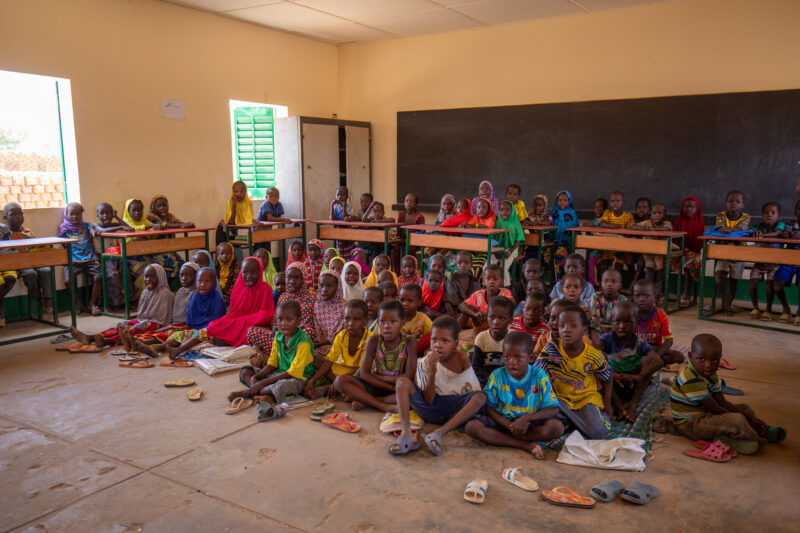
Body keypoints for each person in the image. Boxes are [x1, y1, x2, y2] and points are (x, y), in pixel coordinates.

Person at [670, 333, 785, 454]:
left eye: (714, 360)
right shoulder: (690, 378)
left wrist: (749, 417)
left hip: (705, 414)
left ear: (720, 358)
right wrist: (746, 420)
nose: (708, 365)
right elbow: (715, 408)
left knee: (745, 409)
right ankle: (758, 437)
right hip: (690, 424)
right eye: (701, 359)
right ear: (690, 356)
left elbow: (722, 402)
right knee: (736, 419)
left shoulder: (710, 374)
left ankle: (744, 433)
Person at [390, 316, 486, 456]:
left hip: (454, 409)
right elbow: (428, 400)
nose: (438, 345)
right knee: (402, 382)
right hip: (430, 407)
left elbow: (470, 391)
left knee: (481, 397)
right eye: (434, 340)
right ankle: (407, 434)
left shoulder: (462, 359)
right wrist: (432, 374)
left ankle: (439, 434)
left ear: (455, 344)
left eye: (445, 341)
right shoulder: (425, 362)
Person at [465, 331, 564, 458]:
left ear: (531, 358)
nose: (512, 361)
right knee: (472, 427)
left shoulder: (539, 375)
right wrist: (508, 425)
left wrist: (526, 418)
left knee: (556, 427)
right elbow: (488, 407)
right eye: (507, 356)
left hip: (529, 426)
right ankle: (525, 445)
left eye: (518, 357)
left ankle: (503, 439)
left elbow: (554, 409)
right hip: (503, 423)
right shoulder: (497, 375)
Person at [536, 306, 612, 439]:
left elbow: (608, 377)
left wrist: (607, 404)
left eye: (572, 326)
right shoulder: (551, 348)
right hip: (560, 399)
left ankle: (572, 422)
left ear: (584, 330)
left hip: (585, 399)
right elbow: (537, 375)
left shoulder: (593, 355)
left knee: (597, 432)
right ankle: (577, 422)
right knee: (536, 411)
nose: (566, 330)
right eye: (562, 325)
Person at [333, 299, 417, 412]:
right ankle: (382, 405)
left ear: (402, 322)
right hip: (375, 385)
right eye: (382, 321)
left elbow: (408, 376)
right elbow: (364, 374)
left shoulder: (409, 342)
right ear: (377, 323)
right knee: (340, 381)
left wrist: (382, 378)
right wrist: (387, 385)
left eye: (393, 321)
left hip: (397, 388)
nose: (387, 326)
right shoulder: (373, 341)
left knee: (412, 393)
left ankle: (370, 401)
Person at [70, 263, 174, 350]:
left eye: (152, 276)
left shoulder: (164, 293)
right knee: (123, 324)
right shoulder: (146, 292)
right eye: (146, 276)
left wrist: (141, 322)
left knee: (134, 328)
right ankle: (92, 337)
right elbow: (141, 314)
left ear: (160, 277)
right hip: (146, 320)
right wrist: (140, 321)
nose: (148, 279)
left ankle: (106, 341)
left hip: (159, 324)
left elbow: (158, 318)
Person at [231, 301, 315, 405]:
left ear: (298, 321)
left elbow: (292, 373)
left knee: (282, 386)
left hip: (297, 379)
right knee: (246, 371)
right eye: (280, 319)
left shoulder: (303, 342)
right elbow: (272, 364)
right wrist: (255, 378)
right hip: (278, 374)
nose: (283, 323)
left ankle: (252, 392)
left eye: (289, 320)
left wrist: (262, 382)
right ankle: (263, 393)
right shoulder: (279, 336)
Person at [596, 301, 663, 422]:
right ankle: (619, 407)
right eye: (618, 321)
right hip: (614, 384)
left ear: (637, 323)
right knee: (600, 364)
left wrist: (638, 377)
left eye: (628, 322)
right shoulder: (607, 339)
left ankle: (633, 404)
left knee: (647, 361)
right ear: (612, 322)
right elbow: (593, 353)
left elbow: (658, 361)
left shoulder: (639, 342)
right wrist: (612, 375)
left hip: (634, 384)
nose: (622, 326)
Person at [144, 266, 227, 358]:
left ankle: (178, 350)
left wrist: (200, 329)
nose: (203, 284)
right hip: (194, 328)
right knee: (179, 335)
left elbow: (217, 323)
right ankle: (157, 348)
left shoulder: (217, 300)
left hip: (210, 331)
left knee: (199, 334)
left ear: (214, 283)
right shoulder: (196, 298)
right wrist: (190, 329)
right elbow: (190, 319)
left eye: (207, 282)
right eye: (200, 281)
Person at [246, 262, 315, 366]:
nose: (291, 281)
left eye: (296, 278)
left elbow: (312, 327)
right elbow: (275, 320)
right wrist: (275, 328)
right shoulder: (283, 297)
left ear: (304, 279)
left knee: (306, 336)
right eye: (288, 278)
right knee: (252, 331)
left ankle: (273, 358)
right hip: (282, 335)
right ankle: (280, 357)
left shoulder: (313, 297)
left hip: (300, 337)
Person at [304, 299, 371, 399]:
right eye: (347, 319)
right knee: (316, 359)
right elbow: (329, 361)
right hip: (337, 373)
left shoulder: (369, 339)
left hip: (354, 375)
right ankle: (337, 387)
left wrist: (339, 380)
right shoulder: (341, 336)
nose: (350, 324)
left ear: (365, 321)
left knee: (363, 376)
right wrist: (312, 380)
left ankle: (329, 388)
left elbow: (361, 369)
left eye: (356, 319)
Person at [207, 256, 275, 347]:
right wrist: (237, 321)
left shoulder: (265, 288)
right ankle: (232, 341)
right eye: (245, 272)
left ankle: (227, 342)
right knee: (212, 326)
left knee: (253, 332)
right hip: (239, 322)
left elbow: (267, 314)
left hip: (254, 324)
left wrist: (247, 320)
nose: (249, 276)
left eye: (253, 273)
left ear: (260, 272)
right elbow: (233, 313)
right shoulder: (238, 288)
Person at [2, 202, 53, 314]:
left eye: (21, 213)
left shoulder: (28, 232)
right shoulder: (6, 234)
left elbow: (34, 247)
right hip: (17, 264)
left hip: (32, 261)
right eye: (14, 214)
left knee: (46, 270)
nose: (19, 217)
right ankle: (36, 295)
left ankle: (47, 299)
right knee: (31, 274)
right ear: (5, 217)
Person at [58, 202, 102, 315]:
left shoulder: (86, 225)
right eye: (71, 214)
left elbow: (92, 231)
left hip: (89, 258)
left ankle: (92, 303)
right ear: (66, 215)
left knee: (98, 277)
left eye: (78, 214)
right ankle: (78, 303)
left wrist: (93, 233)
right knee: (68, 281)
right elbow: (62, 243)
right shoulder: (64, 227)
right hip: (73, 259)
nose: (75, 217)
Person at [713, 190, 750, 316]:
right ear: (726, 203)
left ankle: (727, 306)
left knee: (734, 280)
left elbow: (742, 229)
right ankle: (726, 296)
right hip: (723, 253)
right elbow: (718, 227)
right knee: (718, 278)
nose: (734, 204)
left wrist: (729, 230)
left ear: (742, 205)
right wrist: (724, 230)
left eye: (737, 201)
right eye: (730, 201)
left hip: (739, 254)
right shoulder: (720, 215)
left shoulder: (746, 217)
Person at [747, 202, 785, 321]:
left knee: (770, 286)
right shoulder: (757, 226)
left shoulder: (781, 225)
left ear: (778, 216)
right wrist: (755, 233)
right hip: (759, 263)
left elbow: (777, 234)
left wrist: (762, 236)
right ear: (762, 215)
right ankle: (755, 309)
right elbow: (750, 232)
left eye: (773, 213)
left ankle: (768, 311)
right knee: (752, 283)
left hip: (774, 264)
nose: (769, 215)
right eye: (766, 213)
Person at [632, 279, 684, 366]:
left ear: (655, 297)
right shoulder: (631, 314)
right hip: (635, 349)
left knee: (678, 356)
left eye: (646, 295)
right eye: (637, 296)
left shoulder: (661, 316)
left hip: (654, 349)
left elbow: (669, 340)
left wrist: (656, 356)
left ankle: (647, 362)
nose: (641, 299)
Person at [93, 202, 132, 309]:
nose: (106, 215)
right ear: (98, 215)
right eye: (102, 213)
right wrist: (120, 227)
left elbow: (128, 227)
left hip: (115, 256)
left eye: (109, 213)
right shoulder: (96, 225)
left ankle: (128, 301)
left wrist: (117, 217)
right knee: (113, 274)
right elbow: (103, 231)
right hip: (103, 258)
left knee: (126, 272)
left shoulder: (114, 225)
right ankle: (116, 303)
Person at [458, 263, 513, 338]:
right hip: (479, 324)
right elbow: (461, 306)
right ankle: (454, 334)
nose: (491, 281)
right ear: (484, 281)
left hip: (495, 324)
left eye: (495, 279)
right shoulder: (478, 294)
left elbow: (512, 303)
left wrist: (489, 314)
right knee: (467, 309)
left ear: (501, 281)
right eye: (488, 279)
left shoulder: (505, 293)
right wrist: (475, 314)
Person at [472, 296, 514, 386]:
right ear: (487, 317)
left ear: (511, 319)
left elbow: (518, 366)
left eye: (502, 318)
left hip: (508, 382)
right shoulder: (481, 338)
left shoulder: (514, 339)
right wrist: (492, 380)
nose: (496, 322)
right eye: (492, 317)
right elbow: (476, 367)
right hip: (486, 381)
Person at [672, 196, 705, 307]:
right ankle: (660, 293)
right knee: (663, 261)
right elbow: (674, 240)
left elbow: (698, 245)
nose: (689, 209)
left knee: (688, 263)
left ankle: (686, 294)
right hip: (678, 251)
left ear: (697, 208)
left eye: (692, 207)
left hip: (694, 253)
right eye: (686, 207)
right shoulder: (679, 221)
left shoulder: (699, 222)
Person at [775, 199, 800, 325]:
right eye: (799, 208)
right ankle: (786, 309)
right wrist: (785, 235)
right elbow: (783, 234)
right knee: (777, 283)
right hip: (789, 261)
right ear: (795, 211)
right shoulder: (790, 224)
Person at [312, 270, 345, 358]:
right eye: (321, 285)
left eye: (329, 286)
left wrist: (317, 345)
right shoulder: (317, 305)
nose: (324, 290)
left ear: (338, 287)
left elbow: (339, 337)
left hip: (337, 345)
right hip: (318, 345)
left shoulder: (344, 307)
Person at [446, 251, 481, 332]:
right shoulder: (451, 279)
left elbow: (477, 300)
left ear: (471, 265)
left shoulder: (475, 281)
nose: (463, 265)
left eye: (466, 263)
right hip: (456, 313)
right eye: (460, 263)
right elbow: (454, 303)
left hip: (472, 313)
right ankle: (455, 329)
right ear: (456, 264)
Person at [492, 200, 525, 287]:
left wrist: (510, 251)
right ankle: (488, 286)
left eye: (507, 210)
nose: (504, 212)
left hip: (511, 249)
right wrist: (496, 251)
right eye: (501, 210)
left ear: (512, 211)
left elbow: (519, 239)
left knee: (503, 267)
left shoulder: (515, 222)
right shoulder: (497, 222)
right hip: (498, 249)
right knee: (488, 265)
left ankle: (506, 287)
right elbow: (494, 238)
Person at [550, 190, 579, 278]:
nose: (562, 202)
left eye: (565, 200)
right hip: (553, 243)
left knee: (559, 258)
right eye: (560, 200)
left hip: (568, 245)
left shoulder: (572, 213)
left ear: (569, 201)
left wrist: (573, 243)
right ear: (556, 201)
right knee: (548, 258)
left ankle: (561, 280)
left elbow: (576, 227)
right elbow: (550, 227)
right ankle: (555, 280)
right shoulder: (553, 212)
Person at [588, 268, 627, 332]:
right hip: (598, 327)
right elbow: (595, 317)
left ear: (620, 285)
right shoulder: (596, 296)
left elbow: (620, 320)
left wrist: (611, 333)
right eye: (606, 281)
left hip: (615, 329)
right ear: (601, 283)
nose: (609, 284)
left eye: (614, 281)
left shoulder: (623, 300)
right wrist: (602, 330)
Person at [217, 180, 255, 245]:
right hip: (223, 232)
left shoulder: (247, 203)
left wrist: (256, 222)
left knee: (235, 253)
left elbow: (246, 218)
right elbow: (232, 222)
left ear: (245, 192)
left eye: (241, 191)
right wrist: (234, 205)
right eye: (236, 191)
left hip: (233, 232)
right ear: (233, 192)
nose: (238, 194)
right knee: (224, 252)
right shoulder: (230, 203)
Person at [399, 283, 432, 353]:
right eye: (402, 300)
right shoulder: (396, 319)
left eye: (410, 301)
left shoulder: (423, 318)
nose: (405, 303)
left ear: (419, 302)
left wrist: (429, 348)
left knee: (433, 333)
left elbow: (434, 333)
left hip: (418, 349)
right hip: (401, 351)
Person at [330, 185, 358, 257]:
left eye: (342, 195)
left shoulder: (349, 207)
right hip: (338, 231)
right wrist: (332, 206)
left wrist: (344, 206)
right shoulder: (335, 206)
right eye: (338, 195)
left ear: (347, 196)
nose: (340, 197)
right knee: (339, 250)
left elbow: (344, 218)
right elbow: (332, 218)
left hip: (347, 231)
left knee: (348, 249)